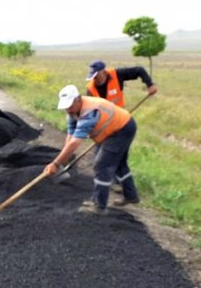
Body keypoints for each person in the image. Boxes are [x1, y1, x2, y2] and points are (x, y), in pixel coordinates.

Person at [43, 85, 141, 215]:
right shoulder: (72, 111)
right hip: (112, 128)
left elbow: (76, 142)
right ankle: (131, 196)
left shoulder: (89, 113)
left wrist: (56, 163)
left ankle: (99, 206)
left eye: (70, 105)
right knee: (119, 164)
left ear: (78, 99)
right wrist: (65, 159)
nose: (68, 109)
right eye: (66, 106)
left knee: (102, 165)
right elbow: (71, 135)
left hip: (121, 129)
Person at [86, 60, 157, 107]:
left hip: (119, 116)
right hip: (102, 121)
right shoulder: (90, 89)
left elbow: (139, 70)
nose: (94, 78)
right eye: (93, 76)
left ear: (104, 72)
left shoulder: (117, 74)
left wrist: (150, 85)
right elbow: (89, 108)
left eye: (96, 76)